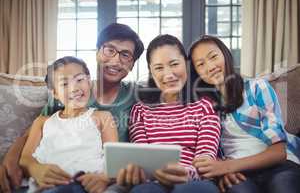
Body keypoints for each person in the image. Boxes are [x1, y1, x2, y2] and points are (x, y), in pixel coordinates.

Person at [0, 23, 144, 192]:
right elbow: (32, 134)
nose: (115, 60)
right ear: (98, 52)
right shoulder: (65, 96)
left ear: (132, 64)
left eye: (125, 55)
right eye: (109, 50)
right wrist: (9, 161)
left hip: (96, 176)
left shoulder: (137, 95)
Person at [188, 35, 300, 193]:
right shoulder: (204, 107)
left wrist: (225, 167)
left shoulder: (256, 88)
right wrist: (221, 172)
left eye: (213, 56)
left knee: (283, 186)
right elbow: (206, 151)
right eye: (201, 64)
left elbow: (278, 152)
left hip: (279, 167)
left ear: (225, 54)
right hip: (239, 174)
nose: (210, 66)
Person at [116, 34, 221, 193]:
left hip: (194, 181)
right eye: (159, 68)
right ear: (151, 71)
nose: (168, 74)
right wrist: (153, 175)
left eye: (174, 64)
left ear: (186, 64)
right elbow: (143, 159)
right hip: (153, 181)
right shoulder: (140, 111)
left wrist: (185, 174)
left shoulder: (205, 107)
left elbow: (206, 158)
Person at [20, 56, 119, 193]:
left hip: (85, 183)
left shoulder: (103, 117)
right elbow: (25, 159)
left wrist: (103, 178)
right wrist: (35, 169)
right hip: (49, 184)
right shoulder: (42, 122)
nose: (74, 88)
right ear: (54, 93)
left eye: (79, 80)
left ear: (89, 82)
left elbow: (113, 159)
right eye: (65, 84)